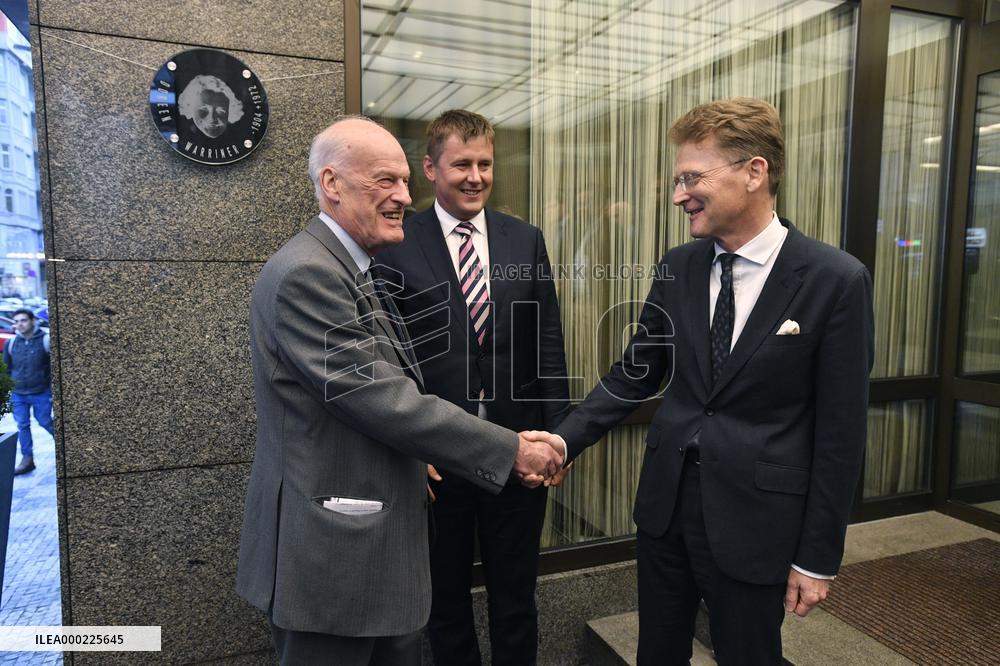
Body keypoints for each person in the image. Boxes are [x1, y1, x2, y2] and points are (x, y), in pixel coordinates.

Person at [531, 98, 874, 664]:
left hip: (757, 520)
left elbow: (841, 432)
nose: (677, 195)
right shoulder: (679, 266)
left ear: (754, 172)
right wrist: (566, 439)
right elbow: (636, 371)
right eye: (677, 179)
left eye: (692, 177)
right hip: (666, 511)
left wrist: (817, 557)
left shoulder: (835, 280)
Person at [235, 116, 564, 665]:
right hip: (336, 554)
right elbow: (382, 398)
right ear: (332, 184)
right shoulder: (308, 275)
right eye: (385, 181)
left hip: (372, 546)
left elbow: (543, 338)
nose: (402, 197)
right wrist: (514, 450)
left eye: (405, 181)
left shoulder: (349, 266)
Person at [377, 109, 570, 666]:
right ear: (430, 168)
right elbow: (387, 357)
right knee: (444, 601)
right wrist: (411, 450)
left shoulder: (523, 238)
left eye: (485, 163)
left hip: (521, 449)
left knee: (516, 597)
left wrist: (560, 436)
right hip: (441, 459)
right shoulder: (396, 239)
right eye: (462, 164)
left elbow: (546, 338)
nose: (476, 176)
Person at [3, 308, 54, 475]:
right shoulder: (11, 343)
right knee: (22, 425)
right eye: (16, 321)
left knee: (45, 421)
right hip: (19, 394)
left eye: (23, 320)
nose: (20, 324)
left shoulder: (45, 340)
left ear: (32, 320)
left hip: (41, 391)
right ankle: (27, 460)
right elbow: (7, 368)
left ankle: (66, 450)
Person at [177, 75, 243, 139]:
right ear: (189, 107)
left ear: (231, 112)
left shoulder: (239, 138)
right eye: (204, 109)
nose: (212, 119)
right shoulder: (180, 135)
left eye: (221, 112)